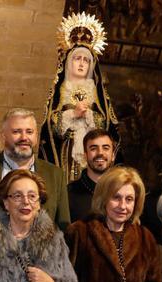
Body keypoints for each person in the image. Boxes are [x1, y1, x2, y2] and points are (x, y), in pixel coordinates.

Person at [0, 108, 71, 239]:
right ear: (3, 136)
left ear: (36, 136)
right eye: (16, 132)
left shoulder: (55, 174)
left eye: (29, 132)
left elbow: (63, 228)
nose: (24, 137)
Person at [40, 41, 118, 182]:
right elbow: (49, 126)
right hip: (65, 150)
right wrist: (72, 115)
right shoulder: (60, 90)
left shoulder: (96, 91)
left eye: (86, 60)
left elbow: (107, 126)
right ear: (69, 62)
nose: (82, 64)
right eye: (77, 59)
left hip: (92, 150)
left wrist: (89, 115)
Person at [67, 128, 116, 222]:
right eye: (94, 148)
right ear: (85, 155)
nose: (100, 153)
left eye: (105, 148)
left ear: (113, 155)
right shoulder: (68, 193)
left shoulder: (123, 191)